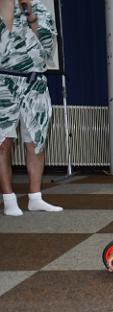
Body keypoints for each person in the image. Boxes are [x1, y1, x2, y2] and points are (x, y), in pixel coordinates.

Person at [0, 0, 62, 216]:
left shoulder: (37, 8)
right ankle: (9, 199)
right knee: (2, 142)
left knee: (36, 141)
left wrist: (30, 14)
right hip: (3, 83)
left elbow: (48, 46)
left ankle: (35, 197)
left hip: (35, 83)